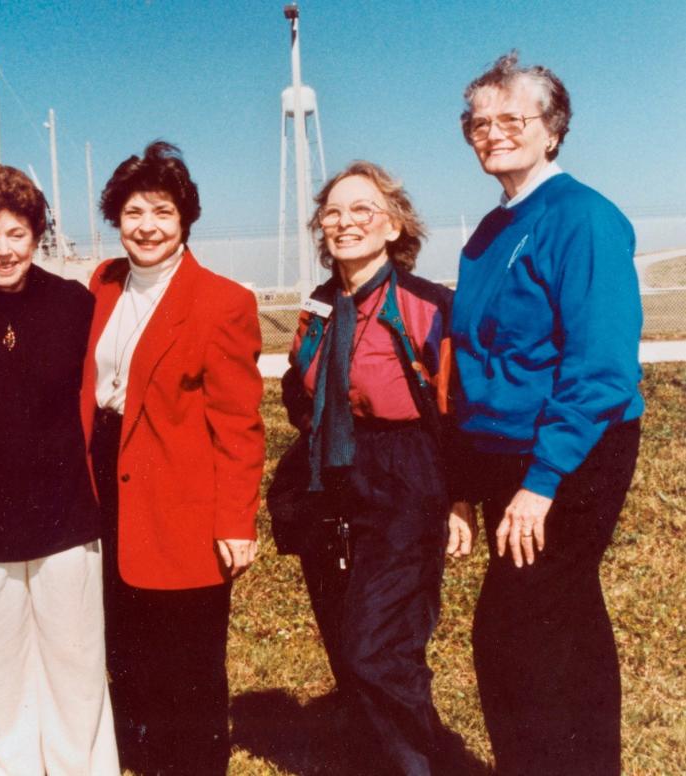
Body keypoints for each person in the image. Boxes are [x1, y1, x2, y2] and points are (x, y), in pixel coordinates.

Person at [452, 52, 642, 776]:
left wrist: (542, 482)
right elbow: (477, 369)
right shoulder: (488, 232)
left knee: (514, 635)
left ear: (551, 130)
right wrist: (461, 489)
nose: (492, 133)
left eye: (511, 119)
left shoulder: (582, 218)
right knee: (561, 625)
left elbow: (599, 368)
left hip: (572, 453)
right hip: (508, 458)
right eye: (478, 122)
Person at [278, 161, 472, 774]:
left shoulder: (428, 305)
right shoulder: (317, 305)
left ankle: (423, 763)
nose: (345, 222)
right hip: (330, 479)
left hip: (404, 476)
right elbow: (296, 385)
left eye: (362, 209)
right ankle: (380, 757)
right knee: (345, 639)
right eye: (333, 212)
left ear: (392, 226)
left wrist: (460, 499)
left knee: (378, 648)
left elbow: (458, 407)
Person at [81, 141, 265, 775]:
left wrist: (236, 521)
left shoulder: (221, 301)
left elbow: (240, 425)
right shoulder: (102, 283)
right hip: (105, 477)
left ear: (184, 218)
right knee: (123, 636)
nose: (147, 227)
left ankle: (191, 762)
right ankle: (141, 757)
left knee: (186, 651)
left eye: (161, 211)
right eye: (134, 212)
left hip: (180, 490)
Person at [0, 165, 120, 775]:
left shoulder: (74, 305)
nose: (3, 249)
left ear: (35, 233)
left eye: (15, 233)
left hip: (65, 518)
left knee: (75, 662)